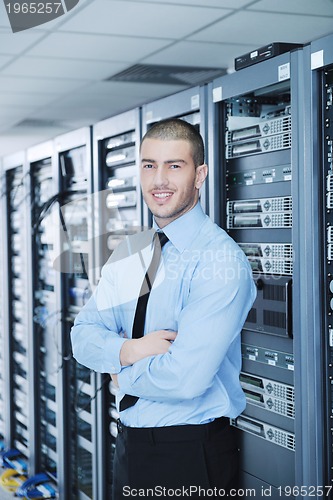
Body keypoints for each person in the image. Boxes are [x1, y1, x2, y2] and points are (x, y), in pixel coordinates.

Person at [70, 118, 257, 498]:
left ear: (200, 174)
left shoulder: (220, 260)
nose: (159, 180)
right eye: (149, 165)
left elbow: (185, 379)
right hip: (129, 444)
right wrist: (132, 349)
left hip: (190, 452)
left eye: (175, 165)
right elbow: (82, 336)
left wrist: (122, 376)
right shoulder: (130, 251)